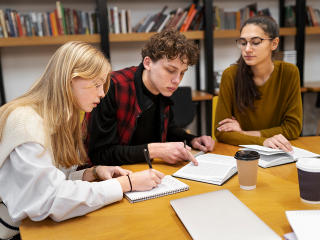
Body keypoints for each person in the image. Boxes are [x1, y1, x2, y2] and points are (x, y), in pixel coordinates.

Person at [0, 41, 164, 240]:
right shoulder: (25, 120)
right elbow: (50, 199)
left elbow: (54, 179)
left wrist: (92, 173)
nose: (102, 93)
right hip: (16, 232)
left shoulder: (64, 118)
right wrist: (125, 184)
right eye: (96, 84)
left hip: (36, 224)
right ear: (70, 81)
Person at [87, 28, 215, 167]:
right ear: (148, 63)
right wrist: (154, 150)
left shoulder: (163, 88)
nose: (177, 80)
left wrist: (192, 139)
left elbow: (167, 128)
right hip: (113, 174)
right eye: (170, 71)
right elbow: (100, 155)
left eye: (182, 73)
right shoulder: (112, 87)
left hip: (148, 169)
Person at [214, 15, 302, 152]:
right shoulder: (230, 75)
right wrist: (264, 141)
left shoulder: (289, 73)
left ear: (274, 43)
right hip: (240, 152)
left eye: (255, 42)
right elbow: (221, 132)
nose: (247, 49)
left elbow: (293, 128)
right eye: (243, 43)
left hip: (277, 152)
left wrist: (244, 134)